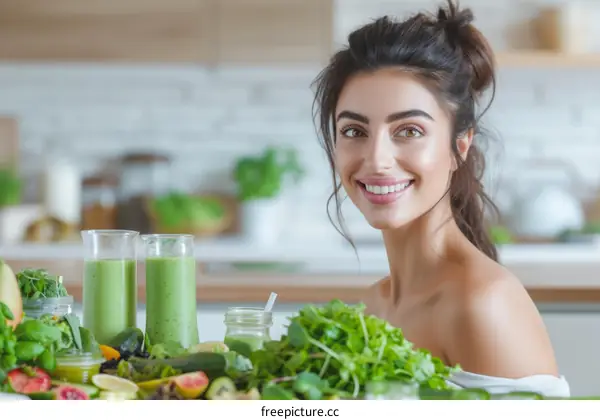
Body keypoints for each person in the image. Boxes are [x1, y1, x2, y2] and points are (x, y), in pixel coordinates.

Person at [311, 0, 570, 398]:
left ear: (459, 146)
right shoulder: (371, 308)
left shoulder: (482, 305)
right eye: (353, 131)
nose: (377, 160)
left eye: (409, 131)